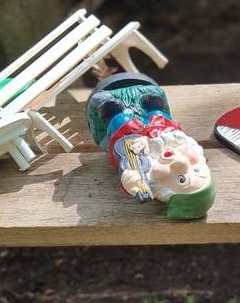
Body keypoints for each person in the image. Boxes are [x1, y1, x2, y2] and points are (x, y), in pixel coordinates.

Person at [87, 73, 215, 219]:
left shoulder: (149, 176)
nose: (183, 162)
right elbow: (181, 138)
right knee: (160, 117)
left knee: (122, 124)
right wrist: (154, 140)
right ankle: (154, 108)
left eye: (181, 180)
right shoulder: (189, 149)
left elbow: (130, 176)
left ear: (164, 194)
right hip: (162, 128)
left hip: (131, 134)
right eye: (195, 169)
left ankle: (113, 115)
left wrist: (135, 183)